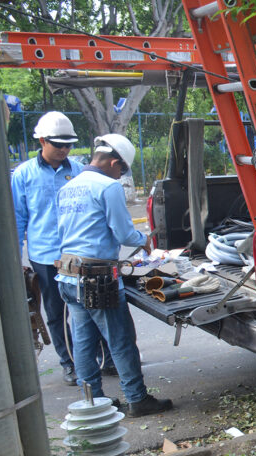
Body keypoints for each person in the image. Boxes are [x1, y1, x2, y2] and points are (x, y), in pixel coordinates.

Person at [55, 134, 172, 417]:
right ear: (113, 162)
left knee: (84, 341)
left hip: (68, 275)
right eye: (121, 170)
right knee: (120, 339)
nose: (121, 176)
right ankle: (137, 399)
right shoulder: (107, 187)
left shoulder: (69, 187)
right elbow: (122, 233)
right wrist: (142, 239)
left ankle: (92, 402)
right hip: (97, 279)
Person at [12, 112, 115, 384]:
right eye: (59, 145)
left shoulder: (79, 170)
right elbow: (18, 218)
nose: (64, 150)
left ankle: (105, 358)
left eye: (68, 145)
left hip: (79, 254)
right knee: (57, 313)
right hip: (45, 256)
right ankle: (68, 362)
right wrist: (14, 258)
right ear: (43, 141)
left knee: (94, 306)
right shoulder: (24, 174)